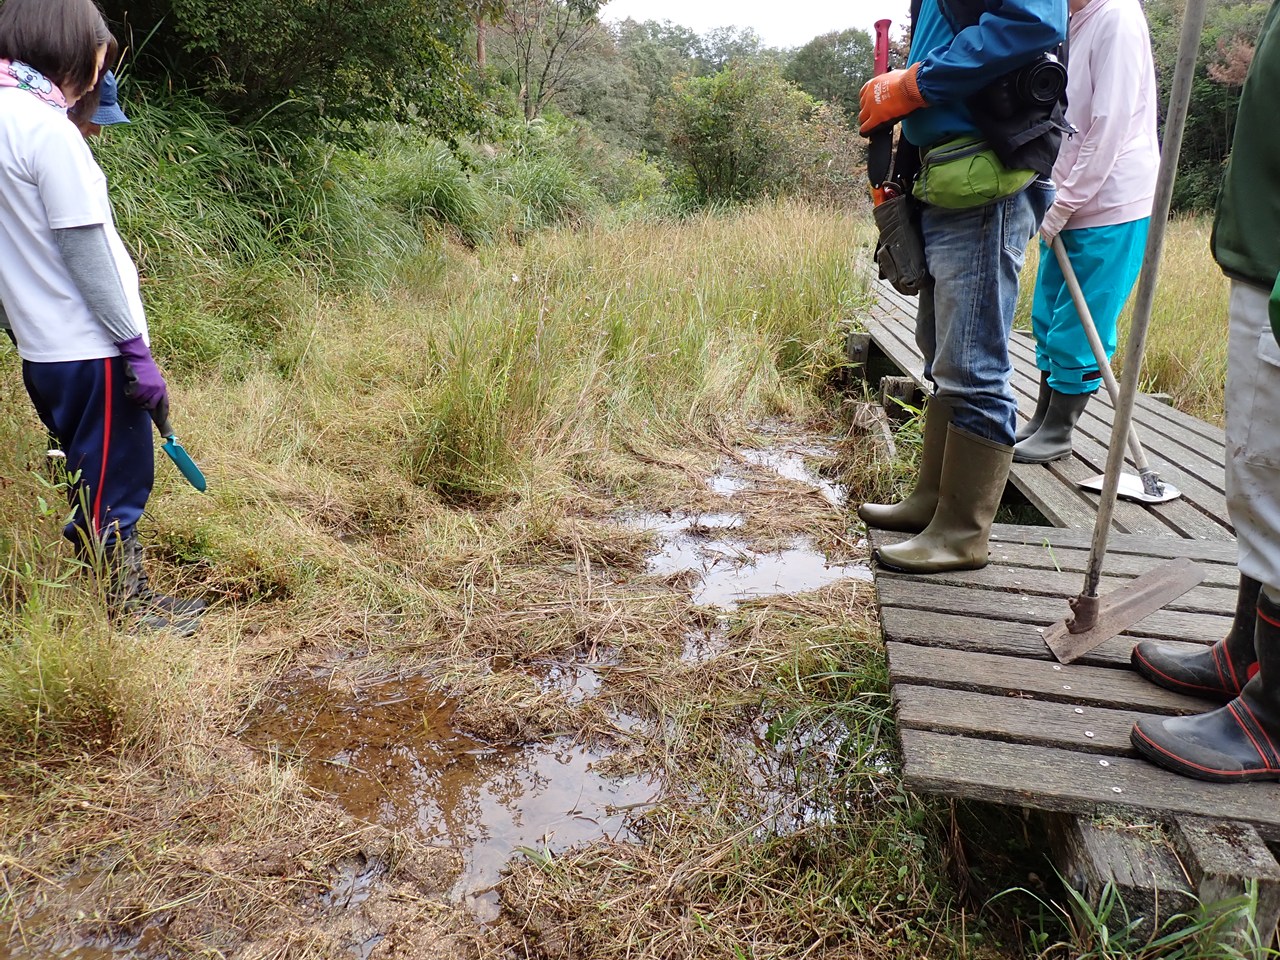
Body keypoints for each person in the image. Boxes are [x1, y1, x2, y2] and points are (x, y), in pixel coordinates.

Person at [0, 0, 202, 631]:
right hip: (91, 346)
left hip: (44, 349)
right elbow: (86, 251)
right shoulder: (46, 128)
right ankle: (129, 607)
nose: (98, 70)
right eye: (97, 55)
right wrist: (135, 350)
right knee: (116, 474)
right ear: (65, 45)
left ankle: (115, 593)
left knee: (85, 466)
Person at [856, 0, 1067, 573]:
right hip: (943, 179)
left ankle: (962, 532)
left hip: (982, 177)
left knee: (973, 363)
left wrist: (915, 83)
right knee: (943, 353)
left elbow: (1036, 21)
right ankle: (933, 502)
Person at [1128, 3, 1280, 782]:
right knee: (1258, 474)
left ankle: (1274, 716)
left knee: (1277, 478)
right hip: (1265, 245)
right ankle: (1248, 658)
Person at [1013, 0, 1159, 464]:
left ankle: (1060, 431)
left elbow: (1109, 124)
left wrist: (1068, 201)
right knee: (1049, 314)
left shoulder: (1116, 17)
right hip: (1069, 194)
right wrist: (1055, 195)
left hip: (1112, 200)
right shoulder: (1073, 20)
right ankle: (1041, 418)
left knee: (1082, 321)